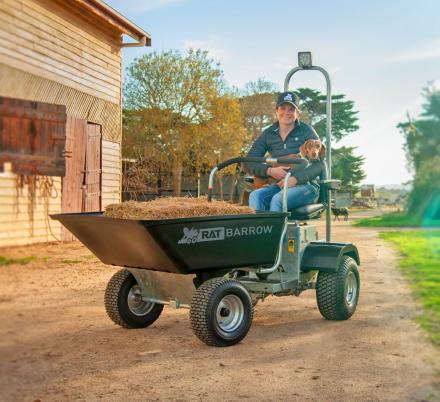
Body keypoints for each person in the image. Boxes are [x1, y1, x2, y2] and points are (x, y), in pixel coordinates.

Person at [245, 91, 322, 212]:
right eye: (283, 108)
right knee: (255, 196)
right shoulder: (268, 134)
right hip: (279, 185)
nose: (287, 112)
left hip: (306, 186)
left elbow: (321, 164)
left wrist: (295, 179)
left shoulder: (306, 131)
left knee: (278, 199)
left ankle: (278, 231)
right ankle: (262, 230)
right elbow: (248, 162)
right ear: (276, 110)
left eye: (291, 109)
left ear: (297, 113)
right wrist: (270, 171)